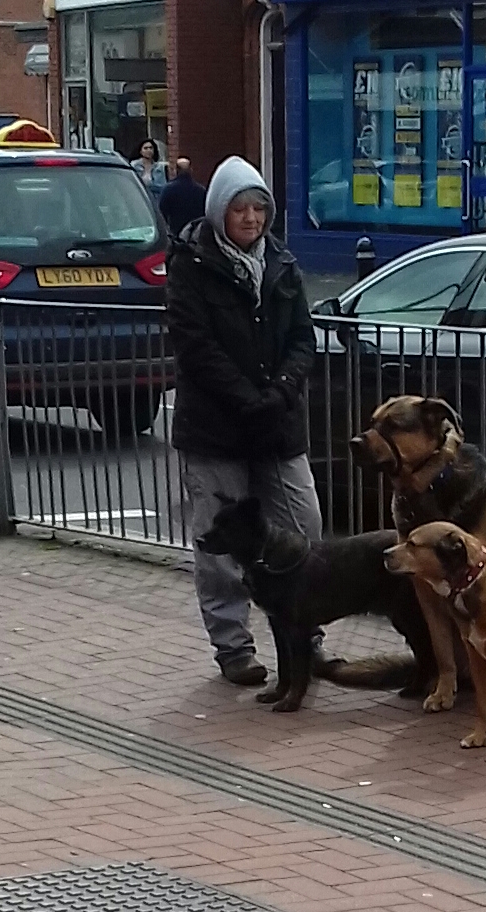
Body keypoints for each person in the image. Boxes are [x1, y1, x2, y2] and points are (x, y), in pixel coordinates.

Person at [166, 155, 338, 685]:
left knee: (303, 525)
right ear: (220, 212)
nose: (250, 219)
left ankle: (306, 633)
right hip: (216, 429)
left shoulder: (282, 264)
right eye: (239, 209)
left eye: (258, 209)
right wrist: (244, 396)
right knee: (219, 544)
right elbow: (196, 345)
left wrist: (282, 388)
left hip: (276, 426)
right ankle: (233, 646)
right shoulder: (191, 266)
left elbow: (302, 338)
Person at [159, 156, 207, 237]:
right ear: (191, 170)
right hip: (194, 234)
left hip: (175, 233)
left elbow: (162, 212)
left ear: (176, 170)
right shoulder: (201, 190)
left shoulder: (168, 189)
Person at [130, 138, 168, 205]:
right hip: (139, 200)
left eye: (151, 148)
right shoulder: (134, 165)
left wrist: (147, 186)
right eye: (146, 148)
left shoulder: (159, 167)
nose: (149, 150)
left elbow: (162, 187)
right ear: (140, 151)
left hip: (155, 202)